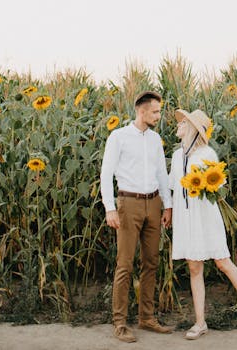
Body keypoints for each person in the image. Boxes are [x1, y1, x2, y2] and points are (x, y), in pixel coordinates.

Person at [168, 109, 237, 340]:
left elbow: (217, 185)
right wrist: (170, 211)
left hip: (205, 216)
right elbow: (174, 187)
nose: (178, 126)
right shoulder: (176, 156)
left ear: (192, 128)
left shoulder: (207, 153)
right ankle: (200, 322)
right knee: (194, 268)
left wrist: (204, 184)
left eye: (182, 123)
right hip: (186, 216)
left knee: (222, 262)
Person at [100, 91, 173, 343]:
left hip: (153, 203)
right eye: (155, 112)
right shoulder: (118, 137)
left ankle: (147, 317)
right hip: (128, 204)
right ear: (142, 111)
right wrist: (110, 207)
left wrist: (168, 205)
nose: (158, 116)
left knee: (151, 262)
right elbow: (106, 173)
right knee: (125, 264)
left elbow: (162, 173)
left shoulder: (155, 139)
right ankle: (120, 322)